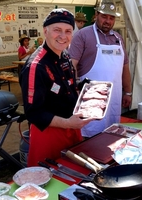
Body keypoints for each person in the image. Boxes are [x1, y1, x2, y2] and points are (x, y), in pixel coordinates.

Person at [19, 8, 93, 167]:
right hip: (48, 135)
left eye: (68, 31)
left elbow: (68, 88)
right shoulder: (36, 66)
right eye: (57, 30)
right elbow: (33, 113)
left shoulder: (65, 55)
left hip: (72, 128)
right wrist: (68, 124)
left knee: (75, 175)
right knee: (51, 180)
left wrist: (87, 89)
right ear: (45, 31)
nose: (63, 36)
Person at [69, 0, 132, 138]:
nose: (108, 21)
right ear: (96, 15)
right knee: (90, 134)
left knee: (111, 134)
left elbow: (125, 67)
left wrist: (128, 92)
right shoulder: (82, 35)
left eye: (111, 18)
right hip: (91, 97)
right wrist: (74, 90)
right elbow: (71, 65)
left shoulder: (118, 38)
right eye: (104, 16)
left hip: (114, 97)